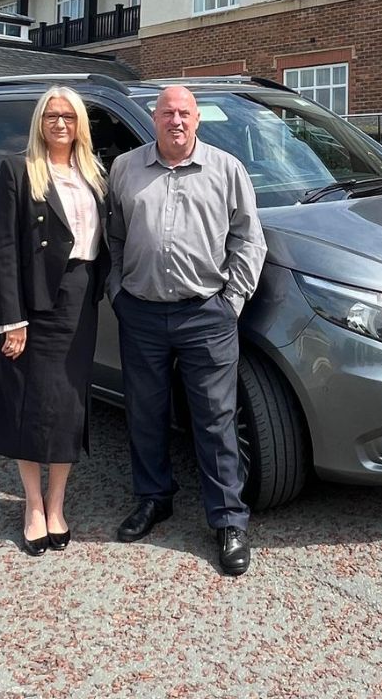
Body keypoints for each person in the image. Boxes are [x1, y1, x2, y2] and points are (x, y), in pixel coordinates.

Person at [106, 85, 266, 576]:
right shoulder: (125, 169)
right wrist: (118, 292)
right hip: (143, 313)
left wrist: (232, 301)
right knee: (145, 414)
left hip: (207, 314)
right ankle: (154, 499)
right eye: (167, 113)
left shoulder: (226, 169)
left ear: (197, 120)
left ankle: (228, 522)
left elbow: (248, 239)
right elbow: (113, 236)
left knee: (216, 420)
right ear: (153, 119)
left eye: (184, 113)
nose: (175, 121)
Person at [0, 86, 110, 556]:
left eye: (69, 117)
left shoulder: (95, 173)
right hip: (37, 304)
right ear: (40, 122)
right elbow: (2, 251)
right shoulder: (19, 171)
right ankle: (33, 506)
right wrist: (12, 320)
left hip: (81, 299)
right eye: (51, 116)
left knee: (69, 406)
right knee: (32, 404)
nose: (60, 124)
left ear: (80, 124)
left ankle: (57, 503)